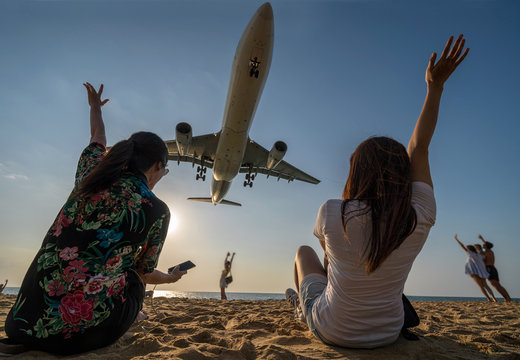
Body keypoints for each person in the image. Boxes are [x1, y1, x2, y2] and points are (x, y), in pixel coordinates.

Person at [286, 35, 469, 348]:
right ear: (404, 173)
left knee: (304, 252)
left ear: (356, 171)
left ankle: (303, 312)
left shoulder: (334, 212)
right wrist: (435, 88)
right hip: (386, 334)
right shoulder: (420, 214)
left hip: (332, 330)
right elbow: (419, 148)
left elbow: (328, 257)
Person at [1, 83, 187, 355]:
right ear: (158, 166)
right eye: (164, 171)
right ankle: (133, 315)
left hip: (21, 324)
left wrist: (95, 108)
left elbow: (96, 139)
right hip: (79, 337)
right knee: (133, 274)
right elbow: (145, 271)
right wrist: (170, 279)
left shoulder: (90, 173)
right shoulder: (156, 209)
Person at [454, 235, 496, 302]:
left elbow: (462, 246)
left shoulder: (471, 254)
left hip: (474, 272)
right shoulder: (481, 255)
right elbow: (486, 250)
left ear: (469, 250)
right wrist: (482, 241)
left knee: (481, 286)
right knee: (486, 286)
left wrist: (456, 239)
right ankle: (494, 298)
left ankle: (488, 299)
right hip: (482, 271)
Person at [477, 234, 512, 302]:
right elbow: (486, 244)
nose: (483, 246)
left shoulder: (486, 252)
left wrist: (478, 250)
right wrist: (482, 239)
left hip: (489, 269)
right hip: (492, 268)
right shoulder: (490, 251)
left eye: (484, 246)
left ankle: (507, 298)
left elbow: (480, 254)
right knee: (497, 285)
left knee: (496, 285)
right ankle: (507, 298)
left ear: (486, 247)